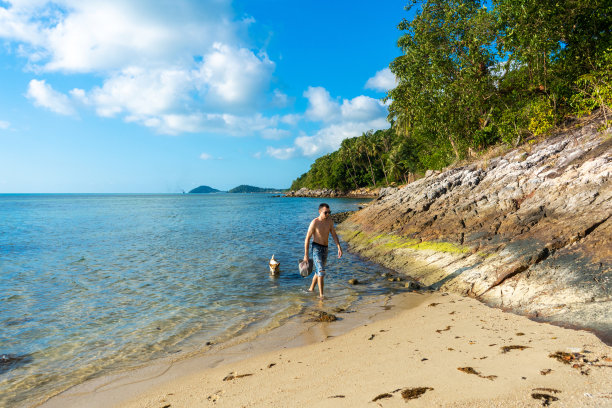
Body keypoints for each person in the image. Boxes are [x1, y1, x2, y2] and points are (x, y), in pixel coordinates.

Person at [304, 203, 342, 298]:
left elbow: (333, 234)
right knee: (321, 271)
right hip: (316, 248)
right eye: (326, 212)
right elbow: (307, 239)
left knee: (318, 272)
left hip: (325, 249)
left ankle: (311, 289)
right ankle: (321, 296)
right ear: (320, 212)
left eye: (329, 212)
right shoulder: (314, 223)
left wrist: (338, 247)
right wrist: (306, 255)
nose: (328, 214)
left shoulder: (329, 221)